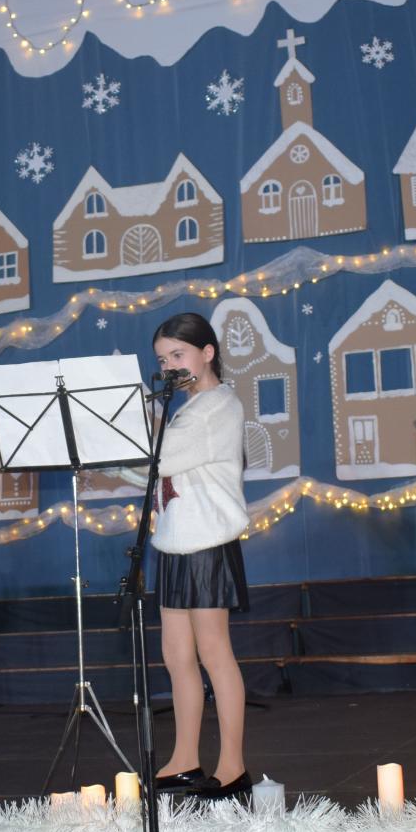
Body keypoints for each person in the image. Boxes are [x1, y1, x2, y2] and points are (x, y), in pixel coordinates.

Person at [140, 312, 252, 800]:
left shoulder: (218, 405)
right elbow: (149, 470)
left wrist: (129, 438)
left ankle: (232, 766)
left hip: (207, 542)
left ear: (207, 353)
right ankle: (185, 758)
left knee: (214, 652)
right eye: (162, 359)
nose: (169, 366)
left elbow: (161, 460)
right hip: (174, 542)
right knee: (176, 654)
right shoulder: (184, 410)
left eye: (178, 354)